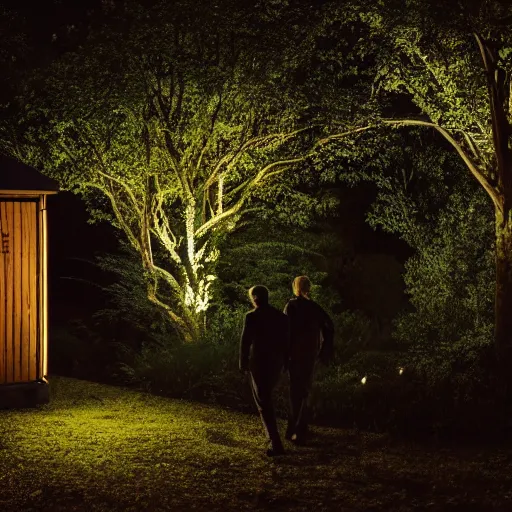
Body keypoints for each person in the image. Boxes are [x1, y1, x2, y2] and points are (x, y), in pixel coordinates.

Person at [240, 285, 289, 456]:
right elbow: (286, 341)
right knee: (266, 398)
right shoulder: (280, 317)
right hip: (276, 362)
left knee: (263, 401)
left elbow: (245, 341)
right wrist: (286, 361)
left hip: (259, 362)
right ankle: (274, 439)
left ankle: (275, 442)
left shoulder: (252, 317)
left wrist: (243, 362)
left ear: (254, 298)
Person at [284, 275, 334, 444]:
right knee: (305, 390)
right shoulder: (314, 307)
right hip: (310, 354)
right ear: (308, 287)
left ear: (295, 287)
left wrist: (284, 354)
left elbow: (286, 331)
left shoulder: (291, 306)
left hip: (294, 354)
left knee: (295, 391)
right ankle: (299, 428)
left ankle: (294, 428)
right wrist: (324, 347)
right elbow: (329, 326)